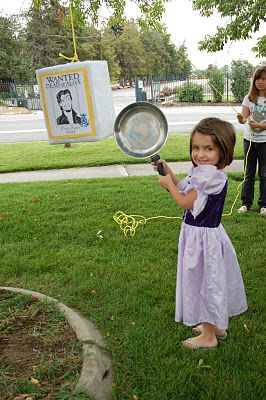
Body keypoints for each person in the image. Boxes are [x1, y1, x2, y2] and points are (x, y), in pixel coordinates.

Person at [154, 117, 247, 350]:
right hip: (201, 236)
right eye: (196, 148)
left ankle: (208, 336)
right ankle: (215, 326)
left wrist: (168, 186)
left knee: (206, 283)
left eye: (208, 148)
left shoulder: (210, 177)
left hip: (203, 240)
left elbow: (185, 201)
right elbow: (185, 187)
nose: (200, 154)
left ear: (222, 150)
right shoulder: (202, 171)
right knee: (208, 280)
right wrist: (171, 175)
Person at [237, 66, 266, 216]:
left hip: (265, 142)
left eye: (264, 79)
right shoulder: (248, 98)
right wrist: (241, 119)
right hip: (249, 141)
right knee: (248, 174)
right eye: (258, 78)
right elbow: (243, 118)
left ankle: (264, 205)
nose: (260, 82)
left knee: (264, 174)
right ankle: (246, 203)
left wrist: (259, 125)